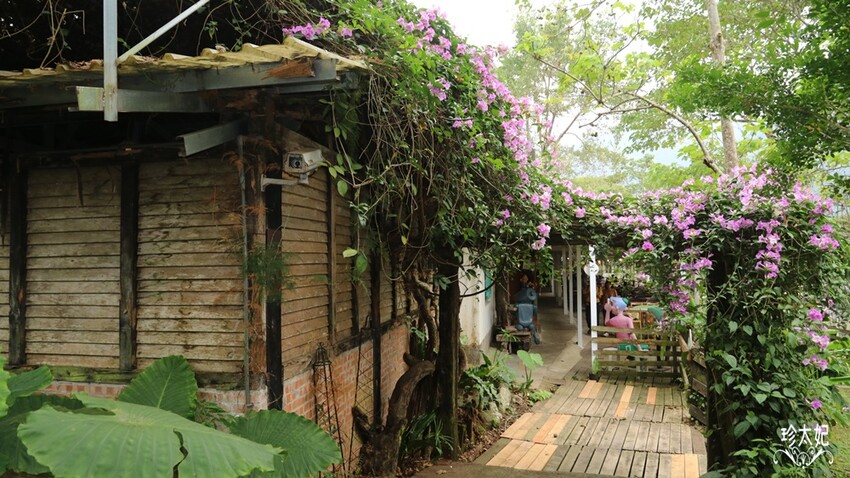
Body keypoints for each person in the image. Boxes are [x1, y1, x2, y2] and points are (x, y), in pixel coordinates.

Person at [514, 270, 541, 344]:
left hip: (528, 305)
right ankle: (518, 342)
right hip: (520, 304)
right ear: (521, 279)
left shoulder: (530, 287)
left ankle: (536, 336)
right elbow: (516, 297)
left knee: (532, 326)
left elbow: (533, 297)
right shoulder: (519, 287)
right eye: (523, 278)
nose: (525, 280)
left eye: (526, 279)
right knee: (519, 326)